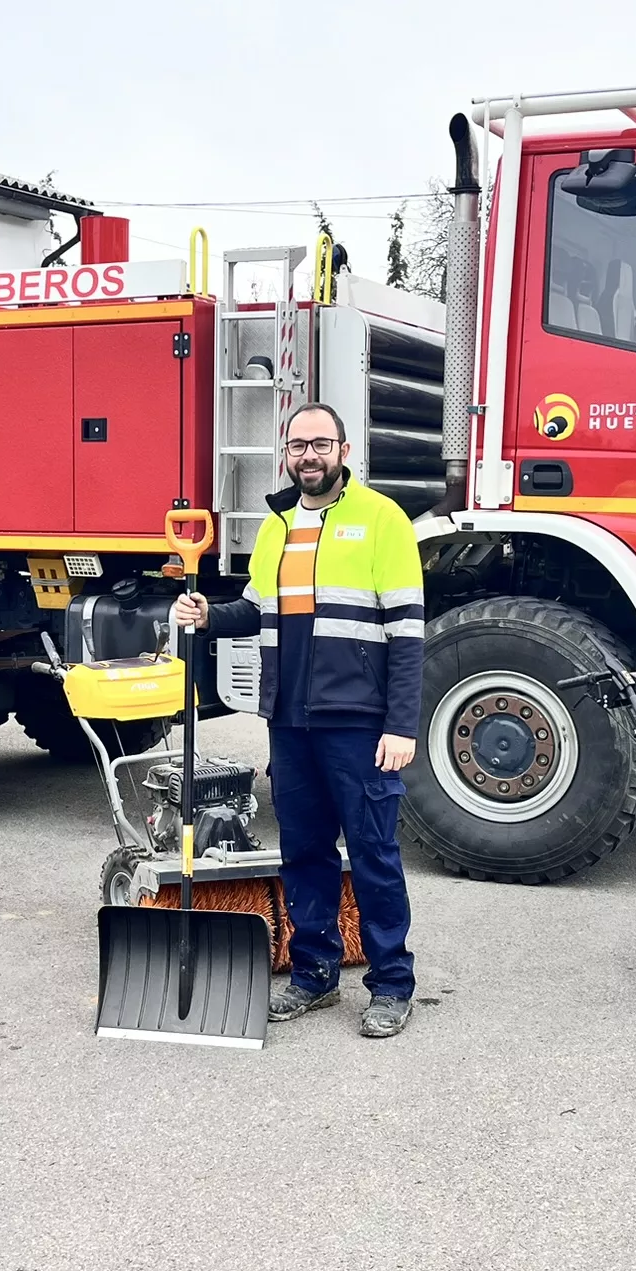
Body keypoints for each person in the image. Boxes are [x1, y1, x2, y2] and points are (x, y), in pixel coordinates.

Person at [174, 403, 424, 1038]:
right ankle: (314, 974)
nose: (309, 455)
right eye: (297, 445)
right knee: (304, 851)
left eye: (321, 443)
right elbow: (257, 607)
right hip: (288, 718)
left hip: (358, 720)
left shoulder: (382, 519)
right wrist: (208, 615)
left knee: (372, 852)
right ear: (285, 454)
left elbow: (406, 632)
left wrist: (401, 725)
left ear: (344, 451)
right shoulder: (276, 525)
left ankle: (391, 984)